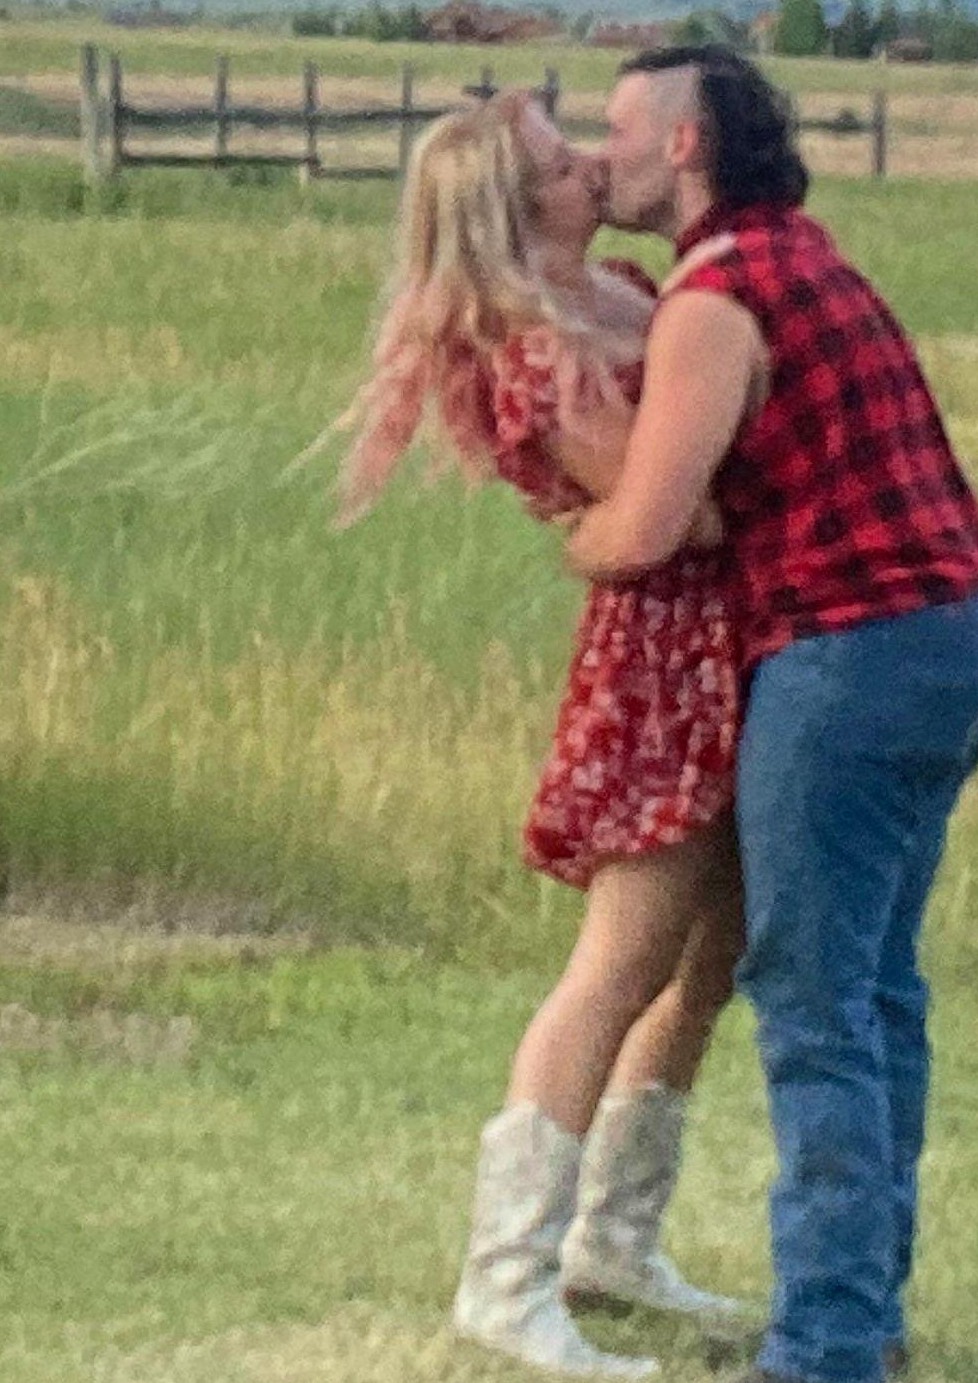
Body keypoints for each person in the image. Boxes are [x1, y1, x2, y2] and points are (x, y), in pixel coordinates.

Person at [566, 47, 978, 1383]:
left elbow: (649, 527)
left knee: (813, 998)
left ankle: (823, 1344)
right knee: (874, 989)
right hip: (954, 632)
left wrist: (575, 525)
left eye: (618, 129)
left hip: (844, 650)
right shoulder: (801, 258)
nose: (600, 155)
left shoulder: (713, 299)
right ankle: (862, 1305)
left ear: (685, 142)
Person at [339, 91, 750, 1383]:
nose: (589, 164)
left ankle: (610, 1240)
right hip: (663, 654)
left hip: (729, 639)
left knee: (710, 956)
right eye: (559, 163)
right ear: (518, 213)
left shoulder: (621, 290)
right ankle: (505, 1277)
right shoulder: (530, 350)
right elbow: (671, 513)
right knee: (621, 959)